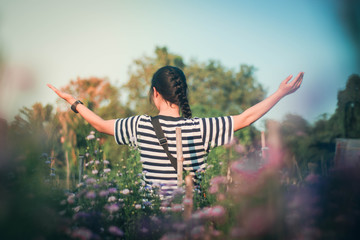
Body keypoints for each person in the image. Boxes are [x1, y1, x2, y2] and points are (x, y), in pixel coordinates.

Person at [48, 66, 303, 195]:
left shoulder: (140, 125)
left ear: (155, 93)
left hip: (151, 221)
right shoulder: (202, 128)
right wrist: (281, 93)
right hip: (190, 221)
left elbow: (100, 125)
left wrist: (73, 101)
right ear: (182, 95)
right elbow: (246, 118)